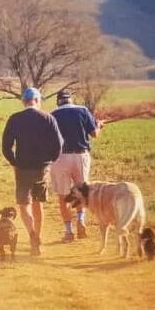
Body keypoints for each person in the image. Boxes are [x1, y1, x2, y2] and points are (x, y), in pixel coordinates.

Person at [1, 87, 63, 256]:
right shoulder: (48, 118)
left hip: (22, 168)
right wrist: (50, 161)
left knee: (24, 205)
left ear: (24, 102)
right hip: (42, 168)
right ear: (37, 100)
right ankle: (38, 237)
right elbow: (58, 145)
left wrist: (14, 162)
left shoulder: (15, 119)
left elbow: (6, 146)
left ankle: (32, 235)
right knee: (38, 203)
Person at [49, 89, 102, 241]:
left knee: (63, 195)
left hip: (60, 158)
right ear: (70, 99)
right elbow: (94, 134)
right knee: (82, 192)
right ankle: (81, 221)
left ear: (58, 101)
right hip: (81, 156)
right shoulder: (83, 110)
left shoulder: (52, 115)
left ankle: (68, 231)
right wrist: (98, 126)